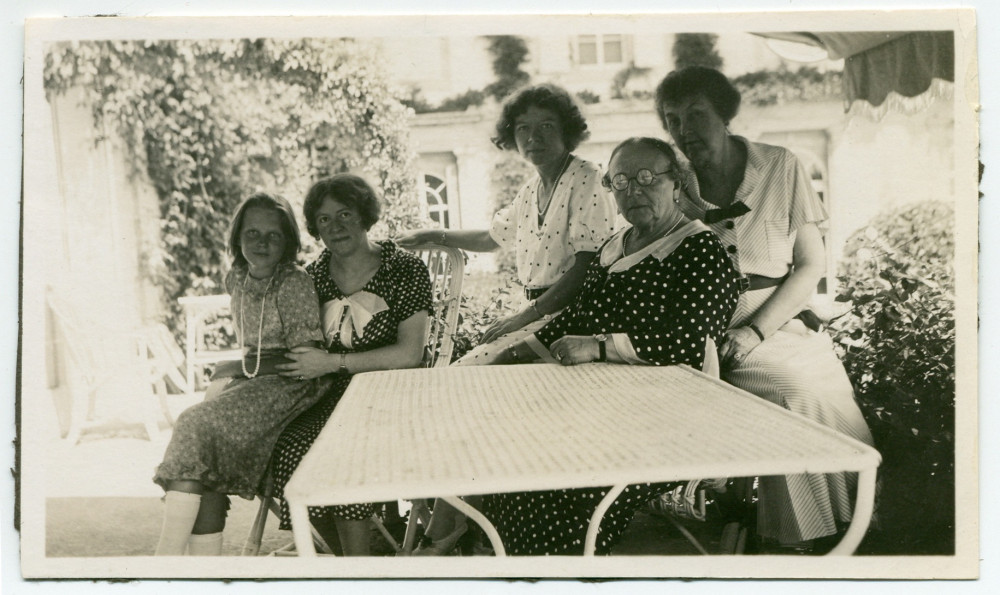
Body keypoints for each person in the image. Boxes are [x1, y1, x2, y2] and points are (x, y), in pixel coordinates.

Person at [451, 137, 741, 555]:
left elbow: (693, 342)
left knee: (554, 488)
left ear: (676, 184)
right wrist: (515, 351)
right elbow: (575, 318)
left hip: (662, 424)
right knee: (513, 463)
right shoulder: (615, 246)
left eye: (647, 178)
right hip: (594, 410)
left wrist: (600, 347)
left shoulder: (701, 250)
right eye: (620, 180)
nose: (633, 190)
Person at [654, 66, 876, 551]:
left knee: (823, 390)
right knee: (791, 392)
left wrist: (756, 332)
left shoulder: (780, 165)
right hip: (703, 322)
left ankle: (846, 522)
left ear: (726, 113)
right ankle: (804, 538)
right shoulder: (668, 180)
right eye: (672, 119)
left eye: (697, 114)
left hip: (777, 316)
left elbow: (810, 264)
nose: (684, 129)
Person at [153, 193, 328, 556]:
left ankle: (165, 559)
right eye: (252, 234)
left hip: (290, 385)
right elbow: (253, 350)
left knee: (193, 424)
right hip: (256, 382)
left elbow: (305, 359)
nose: (262, 244)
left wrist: (236, 370)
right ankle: (207, 571)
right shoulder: (238, 279)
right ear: (237, 238)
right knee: (205, 453)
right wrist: (237, 370)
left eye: (273, 236)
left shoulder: (292, 282)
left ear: (288, 242)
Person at [268, 174, 432, 556]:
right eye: (324, 220)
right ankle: (342, 554)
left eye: (344, 214)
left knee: (342, 452)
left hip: (391, 398)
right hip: (328, 398)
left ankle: (358, 565)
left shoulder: (403, 269)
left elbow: (409, 354)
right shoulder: (311, 278)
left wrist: (332, 362)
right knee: (289, 445)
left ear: (364, 215)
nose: (335, 226)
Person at [397, 83, 617, 364]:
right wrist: (434, 234)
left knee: (471, 368)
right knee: (467, 367)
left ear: (567, 129)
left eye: (546, 126)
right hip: (539, 315)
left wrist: (521, 318)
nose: (533, 137)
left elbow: (586, 267)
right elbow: (490, 239)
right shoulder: (530, 190)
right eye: (523, 128)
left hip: (573, 317)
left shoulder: (586, 177)